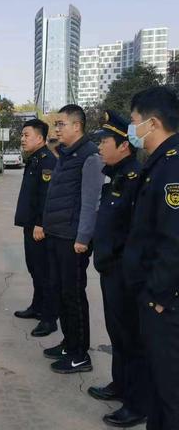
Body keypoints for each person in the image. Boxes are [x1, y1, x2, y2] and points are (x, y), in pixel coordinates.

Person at [122, 87, 179, 430]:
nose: (132, 131)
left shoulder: (172, 169)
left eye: (134, 123)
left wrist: (158, 295)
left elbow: (175, 240)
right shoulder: (159, 163)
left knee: (170, 390)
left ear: (153, 123)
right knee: (159, 385)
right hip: (155, 295)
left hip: (165, 303)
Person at [87, 111, 148, 428]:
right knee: (117, 333)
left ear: (124, 146)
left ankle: (137, 403)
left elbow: (139, 235)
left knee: (132, 338)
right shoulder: (118, 177)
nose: (100, 148)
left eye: (105, 142)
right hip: (112, 273)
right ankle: (120, 384)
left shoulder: (137, 179)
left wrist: (125, 268)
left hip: (126, 275)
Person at [41, 104, 104, 374]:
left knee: (74, 296)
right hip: (57, 235)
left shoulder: (90, 157)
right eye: (55, 125)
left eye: (61, 124)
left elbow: (91, 202)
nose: (56, 129)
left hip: (72, 240)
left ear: (77, 126)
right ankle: (69, 343)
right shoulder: (67, 155)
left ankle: (80, 355)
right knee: (61, 293)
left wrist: (83, 237)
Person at [13, 119, 58, 337]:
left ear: (40, 138)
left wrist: (41, 223)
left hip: (39, 228)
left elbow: (47, 196)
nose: (22, 139)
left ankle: (49, 319)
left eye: (26, 135)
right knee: (35, 269)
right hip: (30, 225)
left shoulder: (47, 160)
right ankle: (37, 306)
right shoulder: (34, 160)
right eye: (22, 135)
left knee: (44, 272)